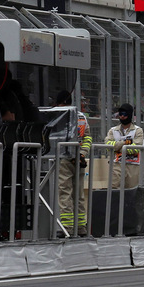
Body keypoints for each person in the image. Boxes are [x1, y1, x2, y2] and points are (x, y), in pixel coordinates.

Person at [51, 90, 91, 238]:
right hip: (79, 159)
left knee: (65, 193)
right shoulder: (81, 116)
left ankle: (67, 227)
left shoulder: (59, 115)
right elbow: (87, 138)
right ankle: (81, 228)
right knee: (79, 193)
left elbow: (55, 137)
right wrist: (81, 154)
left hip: (64, 158)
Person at [103, 103, 144, 188]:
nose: (122, 116)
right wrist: (124, 143)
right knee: (113, 188)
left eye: (124, 114)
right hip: (116, 164)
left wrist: (117, 148)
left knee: (132, 191)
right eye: (120, 114)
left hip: (133, 165)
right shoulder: (113, 131)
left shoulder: (138, 131)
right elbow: (108, 145)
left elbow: (136, 148)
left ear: (129, 115)